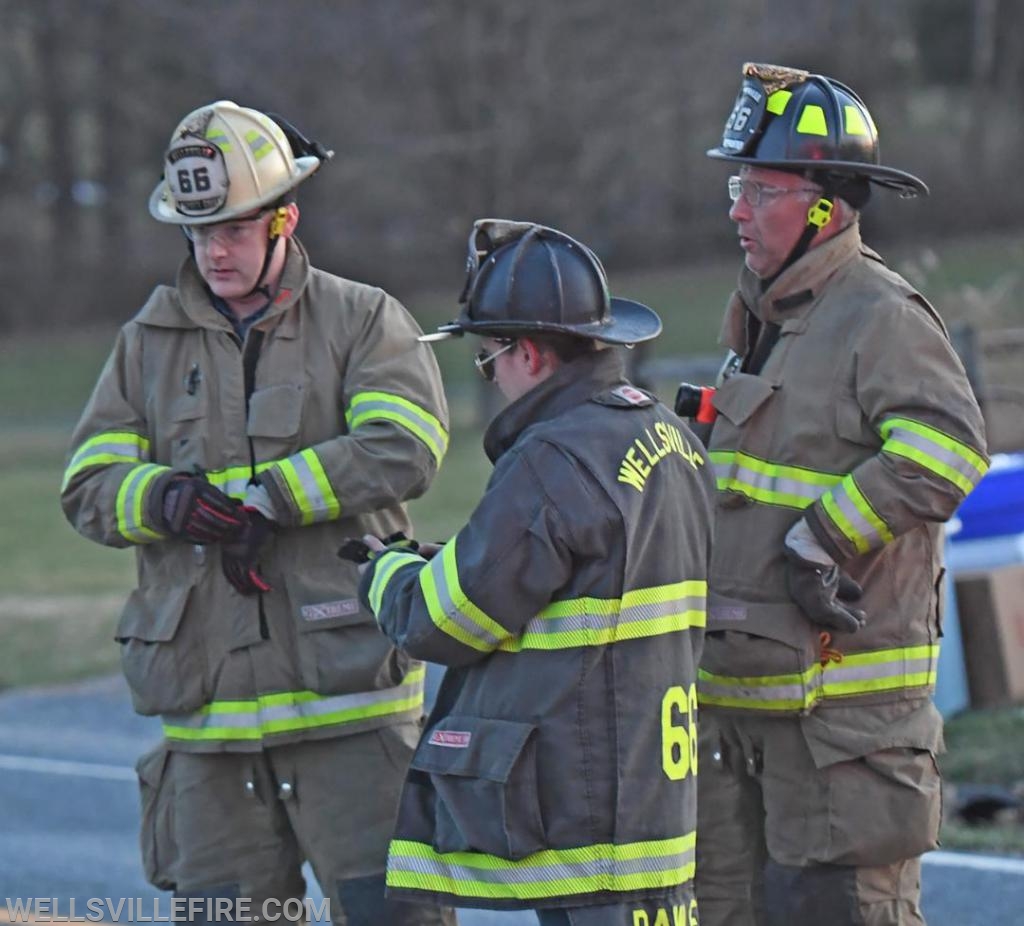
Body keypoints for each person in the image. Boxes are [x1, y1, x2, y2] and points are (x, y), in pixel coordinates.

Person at [60, 100, 453, 926]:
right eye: (199, 233)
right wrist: (164, 499)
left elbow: (407, 444)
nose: (216, 250)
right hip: (209, 734)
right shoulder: (147, 341)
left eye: (235, 229)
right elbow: (89, 481)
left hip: (351, 718)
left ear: (285, 218)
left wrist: (270, 499)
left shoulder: (361, 319)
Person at [690, 63, 990, 925]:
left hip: (844, 733)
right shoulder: (764, 317)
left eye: (758, 189)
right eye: (734, 189)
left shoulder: (878, 315)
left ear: (825, 206)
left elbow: (946, 451)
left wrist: (825, 534)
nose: (739, 210)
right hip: (741, 720)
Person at [351, 219, 717, 926]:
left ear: (527, 353)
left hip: (583, 812)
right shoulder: (670, 438)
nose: (492, 377)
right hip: (656, 807)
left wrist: (386, 573)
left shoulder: (553, 458)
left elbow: (445, 619)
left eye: (488, 359)